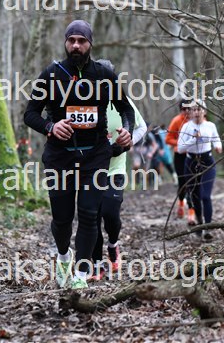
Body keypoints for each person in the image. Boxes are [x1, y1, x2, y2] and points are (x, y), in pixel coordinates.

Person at [24, 20, 135, 289]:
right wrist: (51, 127)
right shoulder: (51, 74)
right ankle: (64, 256)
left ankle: (81, 275)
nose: (76, 45)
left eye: (81, 41)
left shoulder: (105, 75)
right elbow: (30, 114)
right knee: (62, 220)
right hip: (60, 157)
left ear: (90, 44)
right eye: (71, 40)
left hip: (95, 156)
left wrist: (127, 131)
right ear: (65, 43)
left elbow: (126, 109)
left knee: (88, 214)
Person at [90, 59, 147, 281]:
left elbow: (141, 127)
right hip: (90, 169)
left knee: (110, 213)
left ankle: (113, 244)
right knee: (92, 217)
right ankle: (96, 264)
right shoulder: (84, 101)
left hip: (115, 168)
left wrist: (127, 142)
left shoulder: (123, 102)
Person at [177, 99, 222, 240]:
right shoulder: (186, 127)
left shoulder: (210, 126)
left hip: (207, 162)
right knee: (195, 196)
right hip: (191, 163)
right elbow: (180, 148)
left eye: (199, 109)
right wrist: (193, 140)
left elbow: (216, 138)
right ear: (190, 113)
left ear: (205, 111)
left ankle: (208, 228)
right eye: (194, 109)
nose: (197, 112)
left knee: (205, 196)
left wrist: (218, 146)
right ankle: (200, 223)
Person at [166, 100, 192, 220]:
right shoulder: (176, 121)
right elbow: (168, 139)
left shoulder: (196, 120)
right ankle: (181, 203)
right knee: (182, 182)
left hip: (194, 155)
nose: (186, 111)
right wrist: (181, 143)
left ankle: (191, 211)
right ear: (180, 110)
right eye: (183, 109)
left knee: (193, 182)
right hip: (180, 155)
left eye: (188, 109)